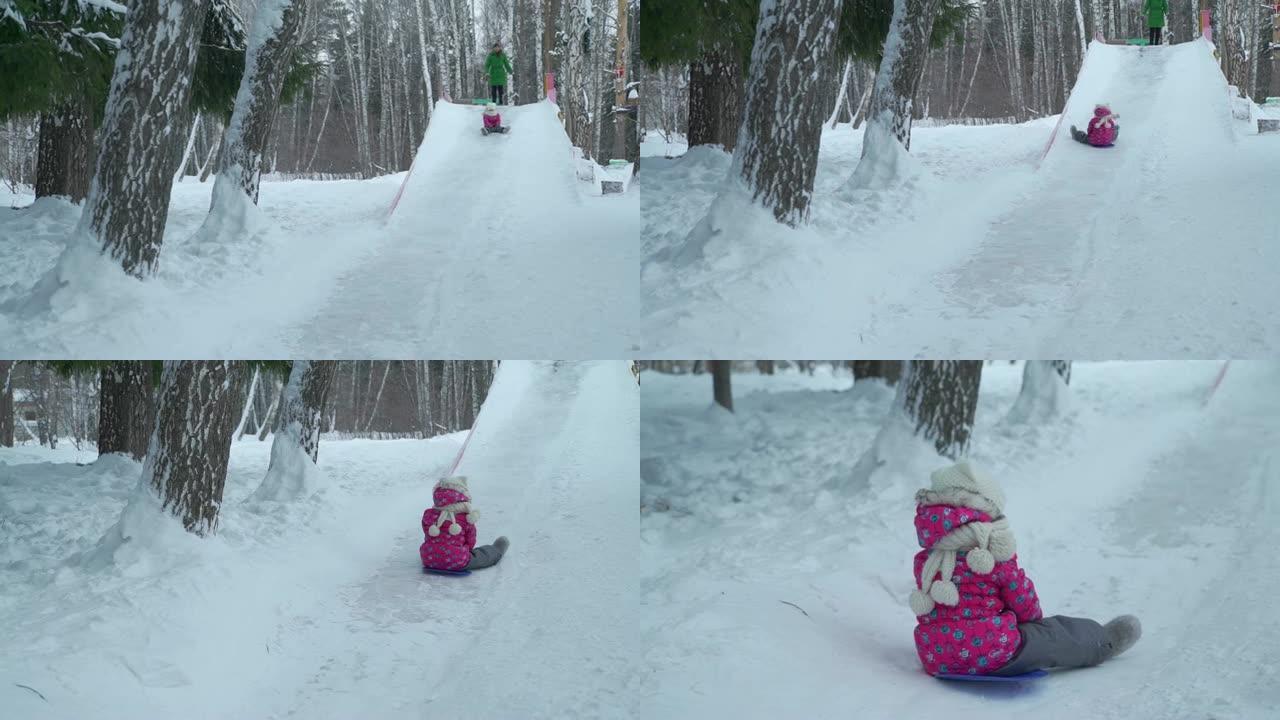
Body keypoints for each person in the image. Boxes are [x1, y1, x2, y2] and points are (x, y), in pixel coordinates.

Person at [909, 462, 1142, 676]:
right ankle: (1103, 641)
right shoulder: (991, 550)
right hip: (992, 651)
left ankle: (957, 650)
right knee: (1051, 634)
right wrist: (1023, 622)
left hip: (934, 655)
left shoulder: (926, 558)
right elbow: (1027, 609)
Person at [420, 475, 509, 572]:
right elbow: (471, 540)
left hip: (428, 558)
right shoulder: (466, 517)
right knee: (481, 556)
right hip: (457, 560)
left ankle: (435, 555)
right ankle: (496, 550)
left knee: (435, 547)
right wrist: (465, 551)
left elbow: (427, 533)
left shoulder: (429, 514)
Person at [484, 41, 514, 105]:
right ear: (493, 48)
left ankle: (501, 102)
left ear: (500, 48)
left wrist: (510, 70)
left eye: (498, 47)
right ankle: (493, 103)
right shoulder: (490, 55)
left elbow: (506, 64)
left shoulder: (503, 55)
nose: (497, 49)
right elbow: (487, 65)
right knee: (493, 90)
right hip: (493, 73)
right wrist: (486, 72)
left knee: (501, 90)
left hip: (501, 73)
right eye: (495, 47)